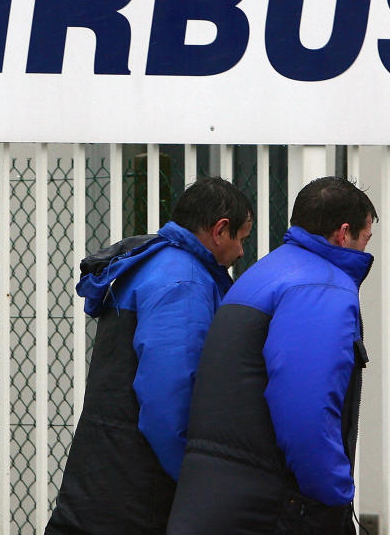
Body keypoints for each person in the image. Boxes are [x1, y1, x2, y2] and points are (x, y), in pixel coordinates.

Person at [166, 176, 377, 535]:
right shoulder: (321, 286)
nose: (365, 248)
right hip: (265, 510)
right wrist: (335, 495)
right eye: (366, 238)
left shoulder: (263, 274)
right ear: (344, 234)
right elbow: (305, 409)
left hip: (213, 501)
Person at [45, 177, 253, 535]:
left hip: (101, 476)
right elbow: (167, 402)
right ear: (220, 230)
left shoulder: (148, 264)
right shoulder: (184, 282)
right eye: (241, 238)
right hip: (138, 493)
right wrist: (195, 485)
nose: (241, 252)